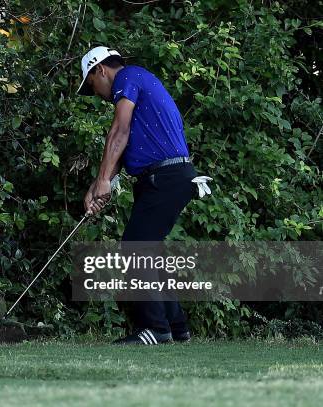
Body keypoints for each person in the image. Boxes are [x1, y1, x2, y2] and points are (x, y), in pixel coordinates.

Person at [77, 46, 212, 345]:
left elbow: (119, 132)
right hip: (169, 177)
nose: (97, 94)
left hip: (165, 177)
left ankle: (155, 329)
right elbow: (125, 149)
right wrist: (98, 186)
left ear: (100, 70)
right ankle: (176, 327)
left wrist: (102, 181)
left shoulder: (128, 76)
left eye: (92, 85)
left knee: (135, 247)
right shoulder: (137, 84)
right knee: (147, 250)